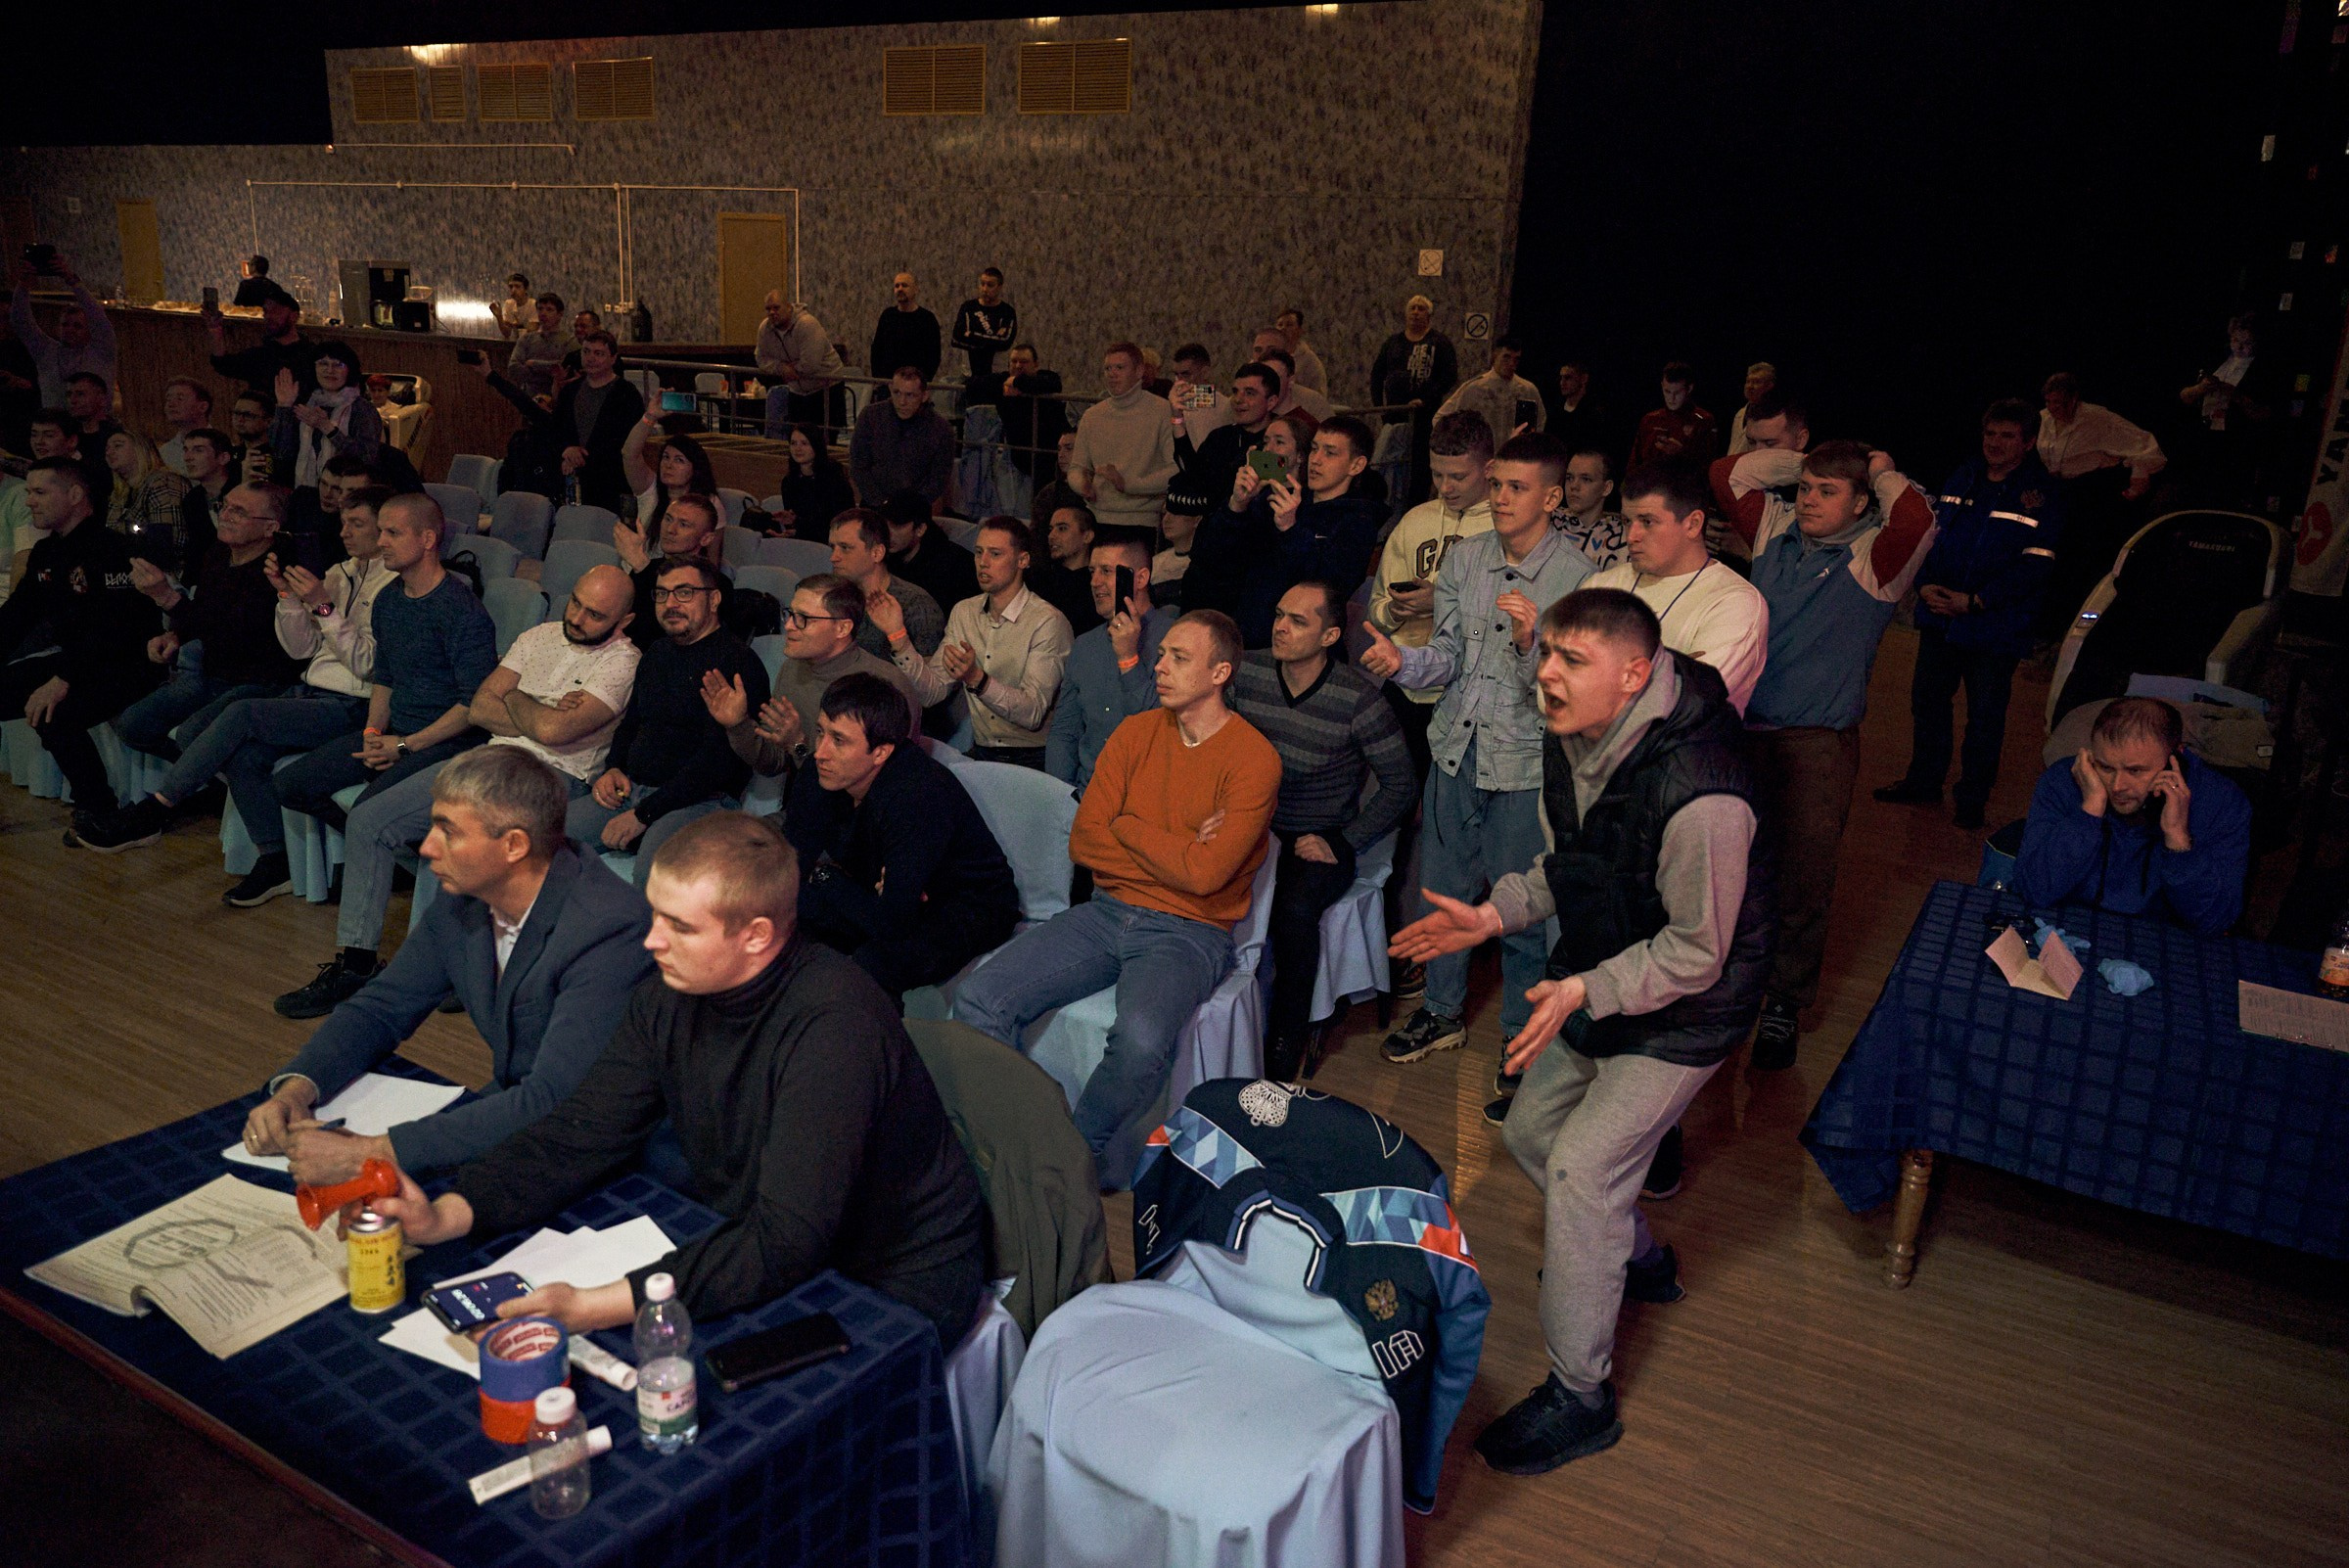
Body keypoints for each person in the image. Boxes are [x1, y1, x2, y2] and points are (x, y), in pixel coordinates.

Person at [1390, 587, 1770, 1476]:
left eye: (1571, 660)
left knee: (1583, 1171)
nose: (1547, 675)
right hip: (1600, 975)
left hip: (1686, 1002)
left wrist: (1583, 988)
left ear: (1636, 675)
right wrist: (1492, 917)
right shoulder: (1576, 735)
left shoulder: (1702, 792)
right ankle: (1636, 1261)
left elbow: (1699, 951)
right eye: (1545, 652)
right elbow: (1573, 864)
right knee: (1529, 1134)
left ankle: (1582, 1396)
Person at [366, 812, 988, 1346]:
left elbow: (787, 1239)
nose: (652, 940)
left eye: (681, 927)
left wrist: (593, 1305)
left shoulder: (836, 1025)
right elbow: (581, 1132)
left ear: (757, 937)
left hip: (896, 1273)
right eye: (655, 914)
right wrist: (452, 1212)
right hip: (761, 1229)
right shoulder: (667, 995)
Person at [241, 746, 655, 1180]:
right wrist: (298, 1087)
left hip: (614, 1149)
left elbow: (555, 1098)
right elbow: (382, 1007)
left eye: (448, 831)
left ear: (514, 845)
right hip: (522, 1111)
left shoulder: (608, 930)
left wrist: (371, 1152)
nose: (426, 847)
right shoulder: (466, 897)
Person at [954, 611, 1281, 1161]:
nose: (1160, 666)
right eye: (1162, 655)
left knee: (1140, 1043)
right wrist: (1174, 847)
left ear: (1221, 672)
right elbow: (1084, 843)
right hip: (1105, 911)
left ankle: (1070, 1156)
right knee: (979, 998)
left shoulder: (1254, 759)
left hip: (1188, 932)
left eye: (1180, 657)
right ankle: (1012, 1139)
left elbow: (1207, 877)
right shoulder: (1135, 733)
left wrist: (1127, 828)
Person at [285, 565, 642, 1016]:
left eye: (594, 614)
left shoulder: (622, 662)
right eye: (575, 602)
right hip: (490, 760)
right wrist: (535, 706)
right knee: (369, 820)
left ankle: (453, 964)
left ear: (623, 621)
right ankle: (356, 962)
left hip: (552, 777)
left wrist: (514, 695)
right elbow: (478, 708)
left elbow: (553, 733)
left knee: (469, 834)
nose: (577, 617)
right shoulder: (539, 636)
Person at [1361, 432, 1594, 1085]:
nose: (1499, 498)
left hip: (1522, 766)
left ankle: (1520, 1043)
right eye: (1495, 485)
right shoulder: (1464, 559)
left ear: (1551, 496)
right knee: (1443, 896)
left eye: (1516, 488)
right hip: (1455, 750)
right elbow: (1448, 654)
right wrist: (1403, 661)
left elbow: (1567, 698)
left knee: (1519, 910)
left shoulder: (1578, 578)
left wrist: (1530, 645)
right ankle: (1441, 1012)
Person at [1712, 438, 1936, 1068]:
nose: (1806, 499)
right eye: (1804, 488)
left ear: (1861, 503)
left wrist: (1881, 469)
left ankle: (1784, 1001)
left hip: (1818, 744)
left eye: (1826, 491)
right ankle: (1729, 983)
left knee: (1803, 878)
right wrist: (1811, 465)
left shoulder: (1877, 557)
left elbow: (1917, 518)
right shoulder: (1774, 532)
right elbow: (1729, 473)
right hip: (1744, 731)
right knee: (1730, 868)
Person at [80, 486, 397, 903]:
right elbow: (300, 649)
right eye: (342, 522)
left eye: (356, 524)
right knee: (242, 756)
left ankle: (158, 808)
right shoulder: (339, 573)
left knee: (241, 714)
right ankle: (275, 859)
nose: (344, 532)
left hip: (354, 705)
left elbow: (369, 667)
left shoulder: (394, 587)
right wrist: (287, 596)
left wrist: (322, 607)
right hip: (307, 691)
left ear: (386, 530)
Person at [270, 492, 497, 959]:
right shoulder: (392, 598)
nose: (381, 541)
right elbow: (385, 678)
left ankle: (356, 955)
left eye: (393, 532)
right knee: (291, 784)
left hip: (446, 743)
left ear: (428, 539)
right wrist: (375, 736)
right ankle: (403, 867)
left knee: (368, 819)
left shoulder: (462, 609)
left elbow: (472, 706)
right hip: (395, 734)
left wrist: (405, 746)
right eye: (382, 531)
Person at [1230, 581, 1418, 1080]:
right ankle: (1222, 1029)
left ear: (1331, 634)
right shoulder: (1246, 672)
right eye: (1278, 614)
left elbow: (1401, 785)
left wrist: (1344, 841)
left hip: (1312, 837)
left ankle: (1283, 1049)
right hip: (1247, 826)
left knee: (1291, 914)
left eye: (1297, 621)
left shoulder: (1357, 698)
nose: (1280, 627)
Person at [1875, 398, 2067, 830]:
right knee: (1927, 703)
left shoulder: (2043, 494)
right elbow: (1930, 535)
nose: (1995, 443)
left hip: (1994, 627)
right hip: (1940, 617)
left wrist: (1976, 601)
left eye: (2007, 436)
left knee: (1985, 717)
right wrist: (1923, 583)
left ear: (2030, 442)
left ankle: (1972, 798)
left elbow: (2037, 564)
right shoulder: (1963, 475)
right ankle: (1924, 782)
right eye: (1990, 434)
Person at [779, 672, 1021, 998]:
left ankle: (877, 1047)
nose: (820, 751)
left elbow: (892, 922)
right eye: (821, 732)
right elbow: (788, 867)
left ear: (880, 752)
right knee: (781, 917)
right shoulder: (821, 772)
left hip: (968, 905)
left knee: (875, 962)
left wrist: (824, 877)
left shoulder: (917, 795)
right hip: (879, 894)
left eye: (839, 740)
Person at [566, 554, 767, 881]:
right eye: (661, 594)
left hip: (700, 801)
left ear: (714, 599)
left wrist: (645, 814)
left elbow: (719, 763)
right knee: (542, 841)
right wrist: (613, 767)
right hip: (631, 791)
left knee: (657, 877)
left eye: (684, 593)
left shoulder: (739, 663)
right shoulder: (657, 653)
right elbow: (631, 723)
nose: (670, 603)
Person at [0, 458, 161, 833]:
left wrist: (63, 678)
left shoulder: (114, 550)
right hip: (75, 662)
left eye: (40, 492)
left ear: (75, 495)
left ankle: (99, 809)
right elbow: (15, 619)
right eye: (27, 492)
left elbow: (115, 630)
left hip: (129, 664)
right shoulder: (47, 553)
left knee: (56, 713)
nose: (29, 502)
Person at [2014, 696, 2250, 937]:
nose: (2118, 786)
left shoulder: (2221, 802)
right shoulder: (2064, 781)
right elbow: (2033, 889)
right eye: (2105, 767)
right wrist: (2089, 811)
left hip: (2163, 942)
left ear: (2175, 759)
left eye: (2135, 770)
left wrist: (2178, 839)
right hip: (2070, 929)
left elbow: (2215, 921)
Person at [108, 482, 299, 768]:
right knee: (132, 725)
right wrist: (176, 635)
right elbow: (206, 615)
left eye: (240, 512)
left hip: (259, 681)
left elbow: (236, 635)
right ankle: (206, 779)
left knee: (192, 735)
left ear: (269, 527)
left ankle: (199, 778)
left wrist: (167, 598)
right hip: (211, 670)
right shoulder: (218, 554)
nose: (226, 515)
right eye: (225, 506)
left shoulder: (279, 569)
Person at [877, 517, 1073, 768]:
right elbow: (932, 692)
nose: (983, 562)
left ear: (1023, 560)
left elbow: (1032, 713)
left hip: (1033, 756)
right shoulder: (964, 612)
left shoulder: (1047, 622)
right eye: (979, 552)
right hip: (983, 750)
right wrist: (898, 637)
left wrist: (976, 680)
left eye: (995, 554)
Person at [1583, 460, 1768, 716]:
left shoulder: (1735, 603)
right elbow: (1548, 695)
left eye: (1647, 522)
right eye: (1627, 521)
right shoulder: (1600, 587)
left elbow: (1679, 705)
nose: (1631, 536)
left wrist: (1589, 674)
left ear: (1692, 524)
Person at [1372, 410, 1496, 786]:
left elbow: (1507, 615)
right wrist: (1395, 608)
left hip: (1465, 691)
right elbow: (1377, 609)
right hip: (1402, 679)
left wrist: (1440, 603)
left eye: (1458, 476)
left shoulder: (1502, 525)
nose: (1446, 486)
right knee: (1393, 791)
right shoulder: (1415, 520)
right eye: (1437, 474)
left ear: (1489, 468)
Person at [1189, 415, 1383, 648]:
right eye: (1314, 449)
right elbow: (1214, 556)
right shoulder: (1282, 499)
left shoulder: (1359, 521)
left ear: (1356, 465)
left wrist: (1290, 530)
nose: (1316, 460)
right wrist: (1236, 506)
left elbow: (1331, 587)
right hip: (1245, 632)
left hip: (1303, 645)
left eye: (1330, 453)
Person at [705, 573, 920, 778]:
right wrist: (738, 725)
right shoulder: (793, 668)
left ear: (843, 628)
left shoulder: (885, 685)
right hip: (805, 804)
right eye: (790, 614)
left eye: (803, 618)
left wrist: (797, 745)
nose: (788, 626)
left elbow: (876, 783)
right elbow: (772, 764)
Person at [2035, 371, 2167, 641]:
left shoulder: (2097, 418)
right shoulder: (2043, 419)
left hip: (2091, 493)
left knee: (2082, 562)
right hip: (2059, 492)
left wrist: (2139, 471)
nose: (2053, 408)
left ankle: (2079, 633)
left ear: (2074, 400)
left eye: (2059, 403)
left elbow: (2146, 446)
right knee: (2052, 559)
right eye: (2049, 402)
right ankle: (2048, 630)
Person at [1047, 531, 1174, 791]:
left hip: (1148, 795)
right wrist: (1060, 794)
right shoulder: (1085, 645)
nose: (1094, 581)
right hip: (1086, 795)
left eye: (1107, 571)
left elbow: (1164, 729)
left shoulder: (1175, 639)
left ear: (1140, 578)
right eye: (1092, 571)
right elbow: (1064, 731)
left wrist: (1128, 659)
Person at [477, 331, 647, 514]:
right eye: (586, 352)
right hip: (573, 481)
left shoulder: (626, 394)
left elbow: (624, 440)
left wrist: (578, 458)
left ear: (613, 358)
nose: (591, 358)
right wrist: (566, 450)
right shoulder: (571, 391)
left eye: (598, 353)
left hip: (609, 481)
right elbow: (555, 428)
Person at [2176, 310, 2282, 508]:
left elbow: (2264, 413)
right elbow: (2184, 396)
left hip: (2236, 442)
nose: (2239, 347)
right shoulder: (2217, 360)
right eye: (2235, 341)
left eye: (2247, 343)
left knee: (2225, 492)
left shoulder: (2262, 370)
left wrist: (2235, 396)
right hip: (2205, 435)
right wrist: (2201, 388)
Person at [1071, 342, 1176, 533]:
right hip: (1097, 516)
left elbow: (1175, 470)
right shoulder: (1092, 415)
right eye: (1107, 368)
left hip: (1143, 520)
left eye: (1120, 367)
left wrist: (1128, 484)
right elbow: (1077, 468)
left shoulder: (1162, 410)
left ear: (1139, 371)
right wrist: (1082, 485)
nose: (1112, 373)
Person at [1368, 296, 1459, 504]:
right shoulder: (1393, 343)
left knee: (1418, 467)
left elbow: (1449, 376)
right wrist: (1380, 408)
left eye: (1421, 309)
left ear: (1428, 315)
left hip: (1424, 418)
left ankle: (1414, 506)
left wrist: (1426, 399)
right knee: (1388, 462)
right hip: (1394, 417)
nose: (1416, 312)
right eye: (1412, 309)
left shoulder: (1439, 343)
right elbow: (1377, 375)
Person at [829, 507, 945, 666]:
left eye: (845, 548)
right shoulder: (833, 598)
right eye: (833, 548)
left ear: (877, 553)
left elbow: (927, 682)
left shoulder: (916, 605)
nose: (833, 557)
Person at [272, 343, 384, 501]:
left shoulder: (362, 409)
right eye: (323, 364)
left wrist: (327, 428)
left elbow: (366, 458)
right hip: (303, 495)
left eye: (338, 365)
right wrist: (284, 407)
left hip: (348, 497)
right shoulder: (305, 403)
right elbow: (281, 453)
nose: (330, 370)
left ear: (349, 370)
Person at [10, 251, 118, 408]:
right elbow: (21, 322)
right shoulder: (46, 351)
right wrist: (24, 283)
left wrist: (71, 280)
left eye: (77, 326)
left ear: (89, 330)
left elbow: (98, 318)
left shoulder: (101, 351)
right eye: (65, 324)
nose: (70, 330)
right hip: (57, 429)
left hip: (96, 428)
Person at [1168, 360, 1276, 517]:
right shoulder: (1221, 437)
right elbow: (1192, 474)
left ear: (1271, 402)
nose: (1238, 399)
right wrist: (1177, 418)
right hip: (1214, 529)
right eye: (1235, 391)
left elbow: (1227, 489)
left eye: (1249, 393)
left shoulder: (1278, 441)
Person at [850, 367, 954, 511]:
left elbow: (938, 478)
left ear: (924, 396)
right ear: (890, 389)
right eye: (897, 393)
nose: (902, 402)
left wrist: (911, 506)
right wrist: (881, 501)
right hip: (874, 505)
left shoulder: (941, 429)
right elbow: (858, 465)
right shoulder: (871, 416)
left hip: (916, 508)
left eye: (910, 395)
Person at [757, 293, 847, 440]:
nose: (772, 312)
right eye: (768, 309)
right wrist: (781, 367)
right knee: (798, 439)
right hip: (797, 391)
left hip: (826, 388)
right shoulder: (765, 329)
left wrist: (791, 369)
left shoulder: (807, 324)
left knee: (826, 440)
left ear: (788, 307)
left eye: (776, 307)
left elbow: (811, 364)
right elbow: (760, 359)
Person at [205, 281, 312, 403]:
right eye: (266, 312)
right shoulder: (261, 355)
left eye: (275, 311)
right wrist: (215, 330)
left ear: (293, 316)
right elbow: (223, 364)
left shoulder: (311, 355)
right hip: (262, 418)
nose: (268, 317)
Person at [1438, 336, 1546, 451]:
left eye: (1516, 359)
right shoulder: (1475, 388)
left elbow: (1539, 422)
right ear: (1495, 355)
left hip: (1513, 455)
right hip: (1481, 456)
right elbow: (1442, 418)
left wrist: (1526, 446)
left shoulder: (1527, 390)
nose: (1511, 363)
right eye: (1506, 357)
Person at [997, 344, 1069, 517]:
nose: (1018, 366)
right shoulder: (1003, 381)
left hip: (1047, 455)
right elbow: (976, 384)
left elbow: (1052, 384)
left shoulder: (1046, 379)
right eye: (1013, 361)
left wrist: (1016, 382)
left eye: (1024, 361)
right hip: (1019, 456)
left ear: (1036, 364)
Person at [102, 430, 190, 568]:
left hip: (167, 576)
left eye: (118, 446)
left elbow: (172, 540)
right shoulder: (118, 495)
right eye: (107, 448)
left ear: (140, 449)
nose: (109, 452)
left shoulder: (163, 482)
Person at [620, 412, 717, 534]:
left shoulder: (710, 502)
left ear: (695, 468)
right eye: (666, 457)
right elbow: (629, 454)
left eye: (679, 460)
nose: (669, 465)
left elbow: (713, 552)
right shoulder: (651, 489)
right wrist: (650, 416)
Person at [883, 488, 978, 612]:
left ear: (920, 529)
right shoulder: (883, 557)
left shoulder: (955, 567)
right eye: (884, 524)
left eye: (897, 525)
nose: (888, 532)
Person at [1628, 362, 1720, 471]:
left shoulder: (1703, 420)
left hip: (1685, 485)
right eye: (1667, 391)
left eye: (1677, 392)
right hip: (1649, 485)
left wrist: (1681, 453)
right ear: (1662, 386)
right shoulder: (1649, 420)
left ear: (1689, 389)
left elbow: (1709, 466)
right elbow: (1634, 463)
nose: (1671, 398)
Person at [770, 424, 855, 540]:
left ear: (816, 445)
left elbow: (838, 524)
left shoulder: (833, 480)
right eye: (793, 443)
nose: (797, 448)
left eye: (804, 443)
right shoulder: (789, 481)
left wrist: (798, 525)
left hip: (830, 540)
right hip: (802, 539)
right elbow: (794, 521)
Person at [1031, 501, 1103, 636]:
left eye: (1062, 528)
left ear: (1087, 536)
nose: (1051, 536)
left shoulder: (1098, 583)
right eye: (1050, 529)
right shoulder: (1039, 580)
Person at [1552, 445, 1630, 570]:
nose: (1574, 486)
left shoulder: (1622, 536)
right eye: (1569, 478)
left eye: (1586, 479)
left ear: (1606, 488)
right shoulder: (1549, 519)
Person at [950, 267, 1018, 410]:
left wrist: (972, 336)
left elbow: (1004, 343)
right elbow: (956, 338)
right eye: (982, 284)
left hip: (995, 378)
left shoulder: (1006, 312)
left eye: (990, 285)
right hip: (969, 376)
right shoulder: (968, 307)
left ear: (999, 287)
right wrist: (991, 339)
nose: (985, 289)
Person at [173, 426, 237, 570]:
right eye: (186, 450)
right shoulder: (192, 500)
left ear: (223, 458)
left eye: (198, 450)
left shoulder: (241, 492)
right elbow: (197, 550)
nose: (188, 457)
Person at [871, 270, 943, 386]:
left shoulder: (927, 319)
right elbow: (877, 350)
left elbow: (933, 355)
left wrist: (922, 382)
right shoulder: (887, 316)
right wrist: (879, 380)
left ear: (915, 290)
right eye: (896, 286)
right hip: (888, 384)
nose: (900, 289)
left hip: (915, 386)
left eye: (904, 285)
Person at [1249, 334, 1335, 425]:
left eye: (1275, 376)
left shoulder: (1313, 404)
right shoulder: (1242, 404)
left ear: (1290, 380)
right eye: (1258, 350)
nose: (1269, 383)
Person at [507, 293, 578, 401]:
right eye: (540, 309)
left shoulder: (569, 341)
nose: (543, 313)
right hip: (529, 399)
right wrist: (548, 373)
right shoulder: (526, 339)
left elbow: (564, 370)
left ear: (560, 314)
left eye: (549, 310)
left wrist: (533, 364)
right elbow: (513, 369)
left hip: (558, 400)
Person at [1550, 359, 1613, 469]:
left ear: (1583, 379)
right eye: (1561, 378)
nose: (1562, 383)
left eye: (1568, 378)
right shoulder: (1556, 410)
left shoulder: (1594, 413)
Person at [65, 372, 124, 478]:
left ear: (101, 399)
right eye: (69, 394)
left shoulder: (117, 436)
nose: (72, 400)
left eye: (80, 394)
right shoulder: (68, 435)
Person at [157, 378, 214, 476]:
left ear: (203, 406)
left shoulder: (222, 446)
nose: (171, 404)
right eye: (168, 399)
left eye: (180, 399)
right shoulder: (164, 453)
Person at [1724, 361, 1777, 455]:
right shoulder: (1740, 413)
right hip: (1734, 465)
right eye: (1748, 381)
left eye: (1757, 382)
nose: (1750, 386)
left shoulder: (1773, 417)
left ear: (1769, 386)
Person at [226, 390, 276, 485]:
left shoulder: (274, 455)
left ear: (268, 422)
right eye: (236, 413)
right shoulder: (232, 453)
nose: (240, 420)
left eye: (248, 415)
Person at [1275, 307, 1327, 393]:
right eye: (1280, 325)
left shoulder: (1310, 361)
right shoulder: (1267, 355)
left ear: (1300, 330)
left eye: (1289, 325)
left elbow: (1319, 395)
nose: (1283, 328)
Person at [494, 273, 532, 340]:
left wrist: (514, 325)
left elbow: (532, 331)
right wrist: (499, 317)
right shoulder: (509, 304)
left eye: (517, 286)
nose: (513, 290)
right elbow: (507, 333)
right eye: (511, 287)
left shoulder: (533, 304)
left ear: (525, 289)